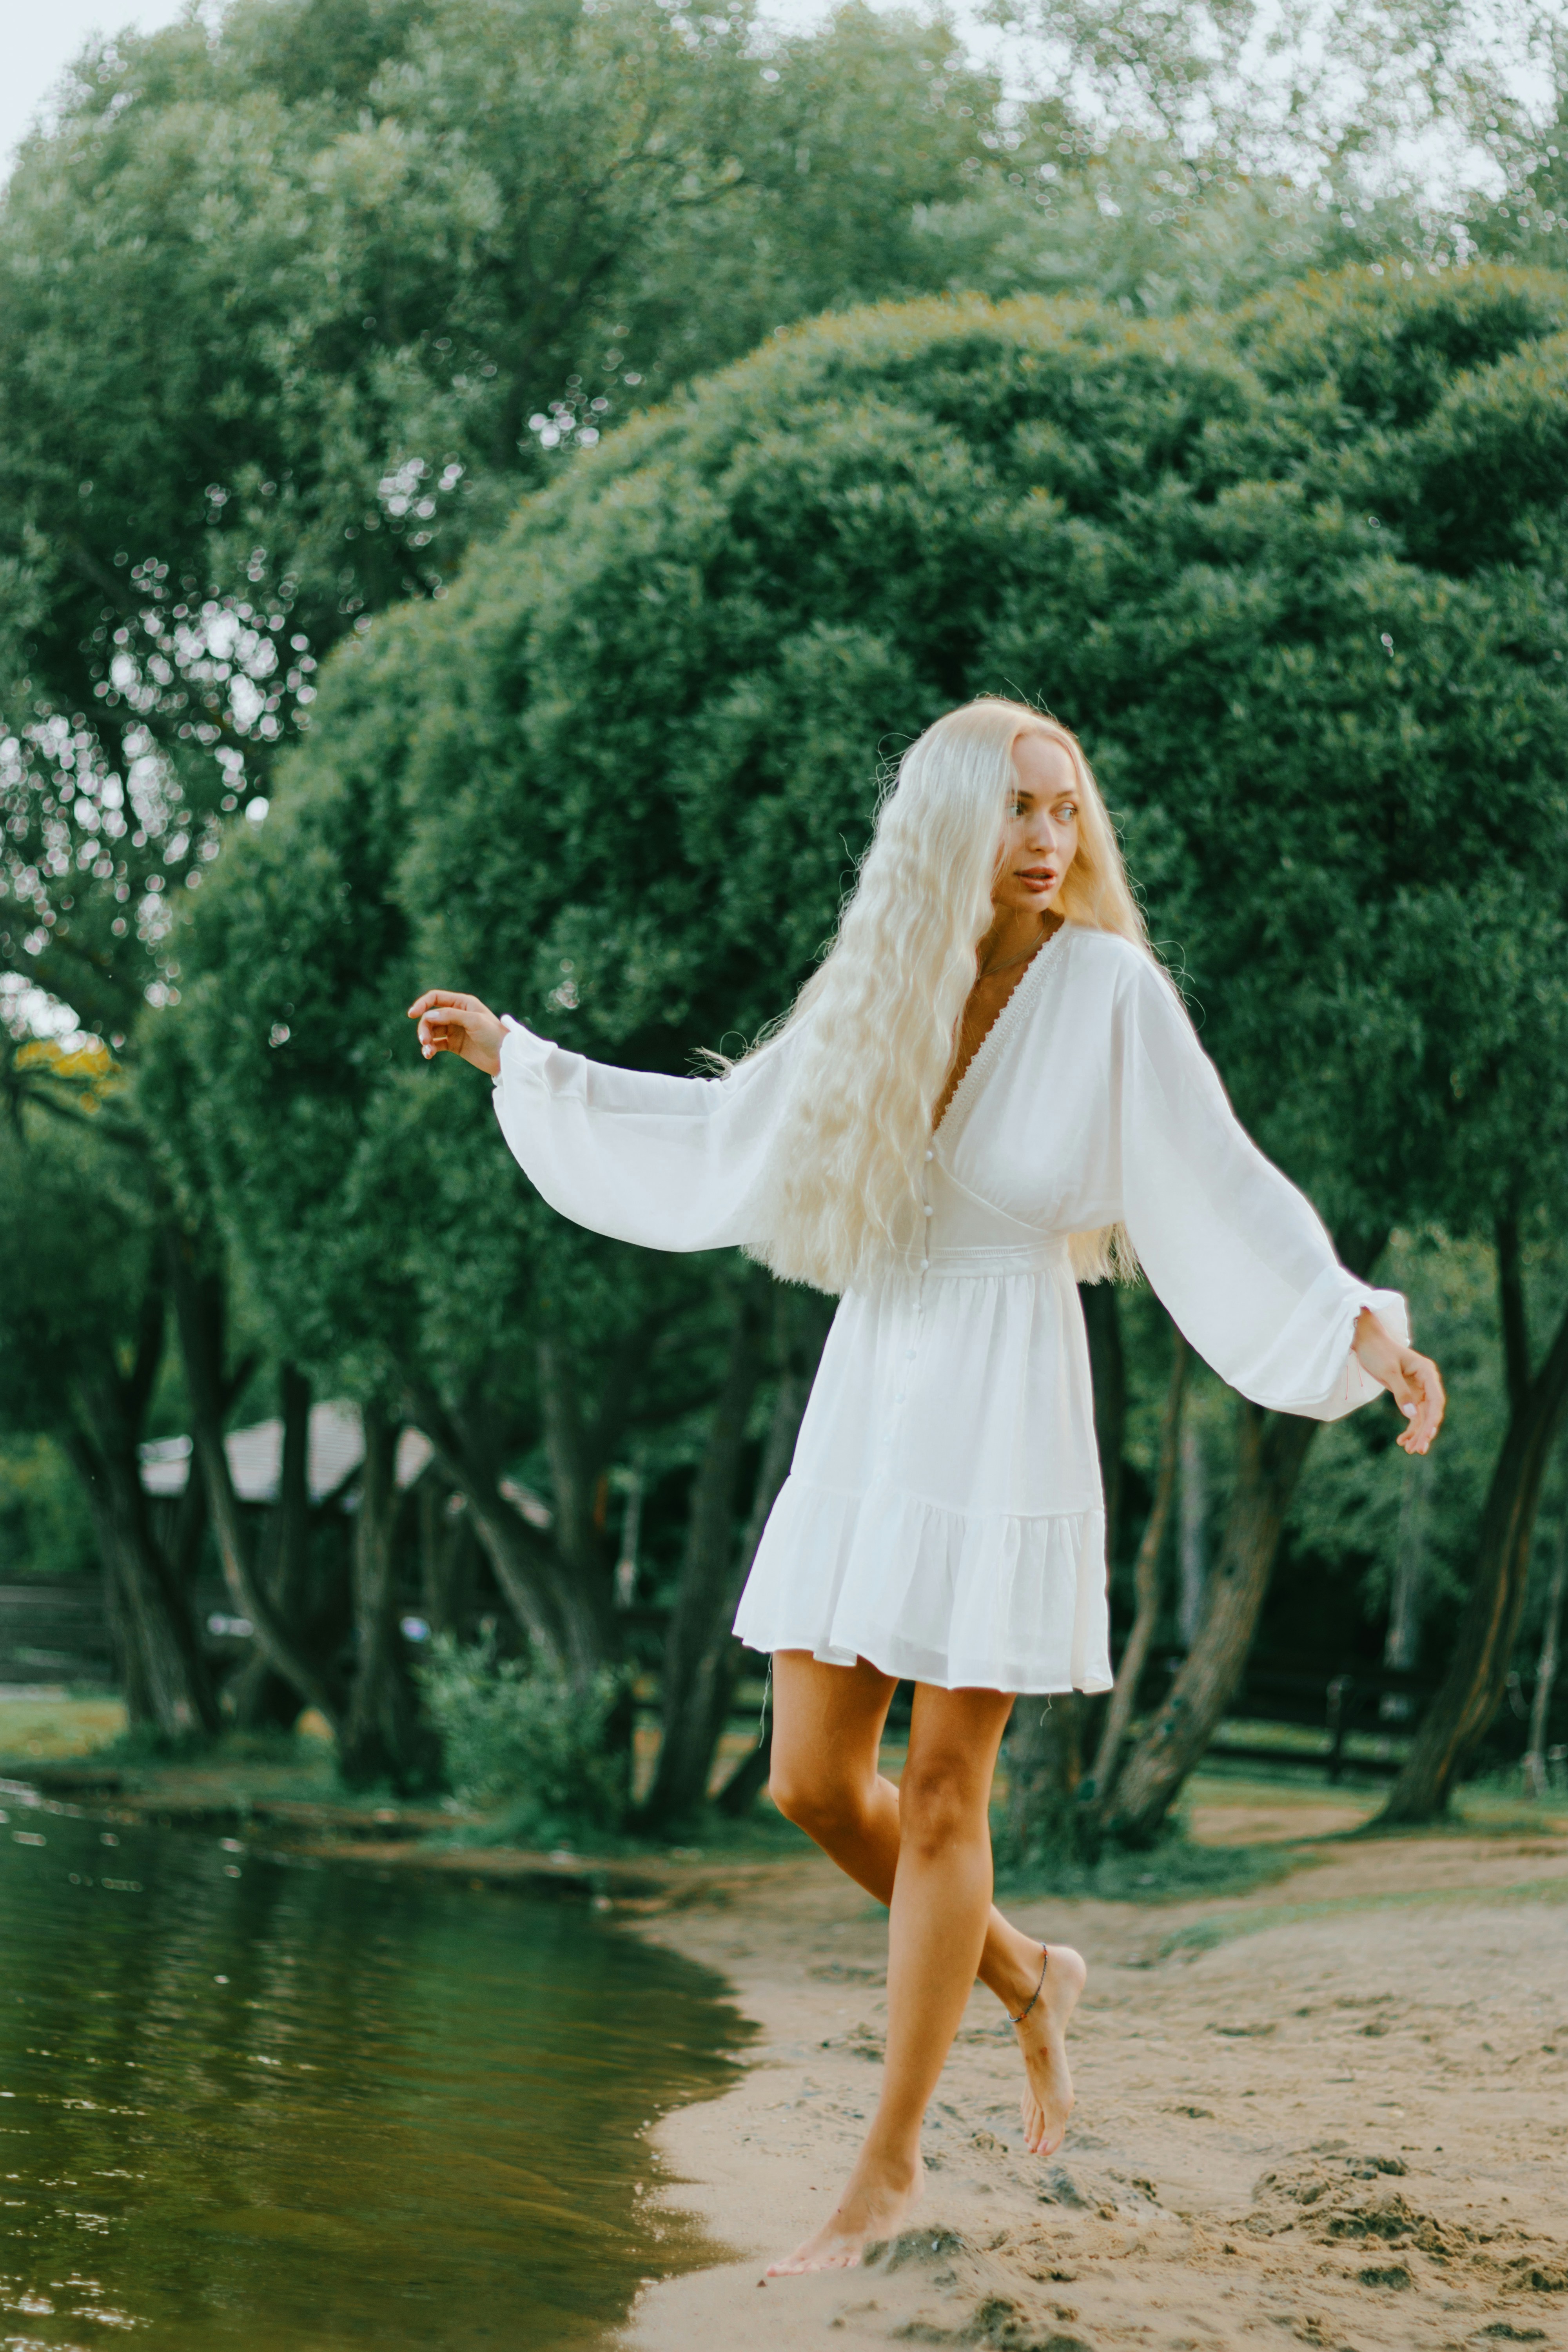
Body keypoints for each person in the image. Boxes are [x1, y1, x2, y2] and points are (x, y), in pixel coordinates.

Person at [408, 696, 1445, 2276]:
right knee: (810, 1783)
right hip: (875, 1387)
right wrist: (524, 1062)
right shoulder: (880, 987)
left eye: (1065, 810)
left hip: (1008, 1395)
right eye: (1019, 809)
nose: (1048, 841)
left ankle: (883, 2176)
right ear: (949, 825)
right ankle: (1027, 1975)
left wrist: (1357, 1327)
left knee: (951, 1791)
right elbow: (724, 1132)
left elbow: (1221, 1183)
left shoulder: (1108, 989)